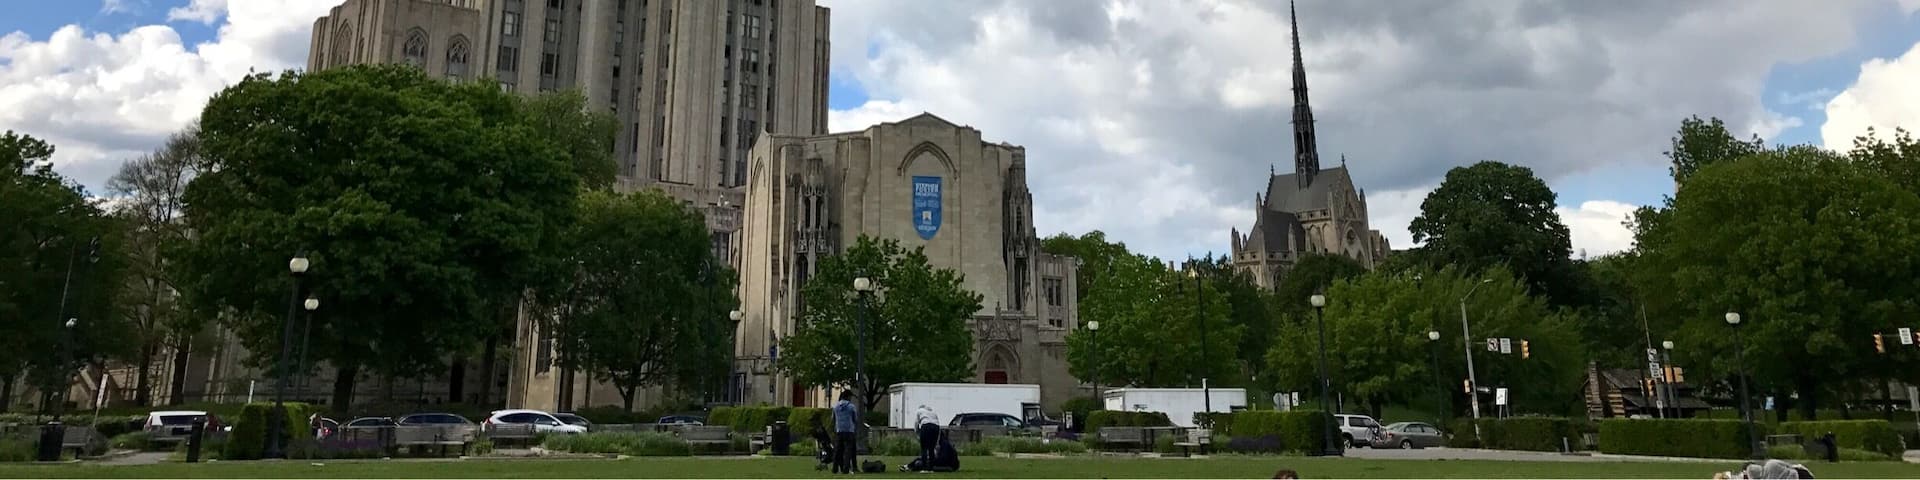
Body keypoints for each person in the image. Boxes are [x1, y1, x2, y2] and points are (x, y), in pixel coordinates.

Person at [833, 391, 858, 474]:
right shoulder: (851, 406)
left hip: (839, 430)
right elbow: (855, 418)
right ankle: (846, 468)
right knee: (848, 450)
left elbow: (833, 418)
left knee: (837, 450)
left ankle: (835, 468)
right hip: (849, 430)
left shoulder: (835, 406)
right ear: (848, 397)